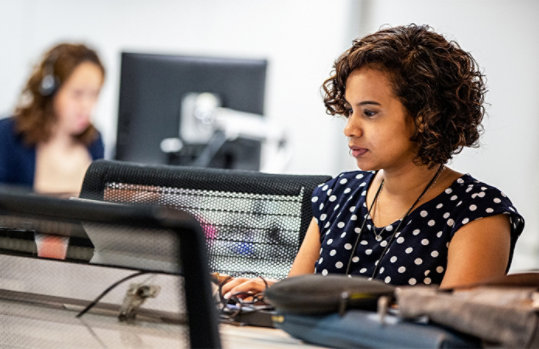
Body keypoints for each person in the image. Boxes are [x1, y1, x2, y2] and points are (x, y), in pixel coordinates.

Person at [221, 24, 524, 298]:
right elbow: (296, 298)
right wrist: (270, 292)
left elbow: (456, 328)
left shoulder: (478, 212)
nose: (350, 128)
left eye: (369, 112)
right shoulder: (336, 195)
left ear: (425, 117)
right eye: (349, 111)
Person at [0, 43, 106, 196]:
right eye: (77, 94)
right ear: (50, 91)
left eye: (94, 94)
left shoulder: (94, 141)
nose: (86, 106)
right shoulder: (10, 135)